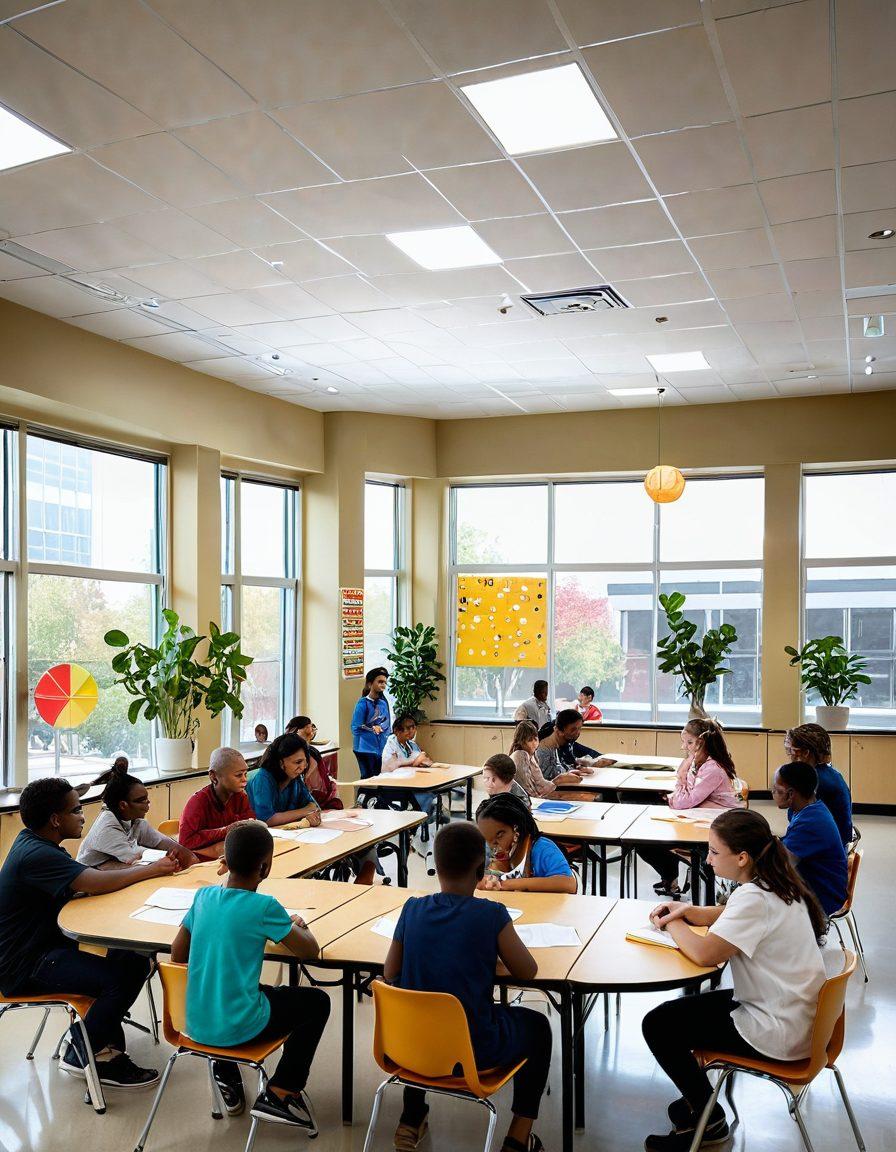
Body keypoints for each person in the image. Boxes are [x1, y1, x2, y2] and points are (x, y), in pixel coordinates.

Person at [640, 809, 828, 1152]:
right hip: (794, 1011)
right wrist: (692, 912)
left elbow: (705, 954)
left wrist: (673, 923)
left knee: (658, 1024)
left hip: (776, 1027)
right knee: (674, 1013)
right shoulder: (779, 882)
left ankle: (709, 1120)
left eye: (714, 852)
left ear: (742, 858)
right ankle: (700, 1101)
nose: (708, 860)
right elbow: (732, 914)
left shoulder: (753, 897)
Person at [0, 778, 180, 1087]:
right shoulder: (38, 855)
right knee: (119, 980)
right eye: (77, 809)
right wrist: (154, 869)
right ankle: (83, 1050)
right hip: (25, 965)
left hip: (46, 948)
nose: (84, 815)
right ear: (56, 820)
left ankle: (102, 1042)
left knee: (133, 960)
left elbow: (83, 886)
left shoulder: (36, 843)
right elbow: (95, 881)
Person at [384, 821, 551, 1152]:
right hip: (473, 1053)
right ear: (480, 869)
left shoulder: (412, 908)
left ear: (438, 867)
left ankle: (410, 1118)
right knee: (539, 1027)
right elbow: (527, 971)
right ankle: (519, 1137)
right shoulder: (491, 914)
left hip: (409, 1048)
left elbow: (390, 971)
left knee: (423, 1009)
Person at [171, 820, 329, 1128]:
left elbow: (177, 954)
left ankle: (226, 1069)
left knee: (255, 990)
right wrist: (298, 925)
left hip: (193, 1022)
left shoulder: (202, 897)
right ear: (266, 867)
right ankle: (282, 1091)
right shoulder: (264, 906)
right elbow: (309, 951)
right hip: (239, 1025)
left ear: (225, 862)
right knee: (317, 1002)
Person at [639, 719, 743, 898]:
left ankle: (672, 875)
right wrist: (679, 790)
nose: (683, 747)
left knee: (645, 841)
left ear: (701, 743)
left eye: (689, 742)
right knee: (643, 831)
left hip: (713, 824)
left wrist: (679, 782)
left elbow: (684, 801)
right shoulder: (698, 761)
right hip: (698, 815)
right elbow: (686, 796)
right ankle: (670, 874)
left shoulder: (713, 768)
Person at [284, 719, 376, 884]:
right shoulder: (280, 776)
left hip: (317, 810)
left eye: (312, 729)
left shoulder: (307, 761)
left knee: (360, 838)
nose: (311, 734)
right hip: (301, 820)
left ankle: (363, 872)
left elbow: (313, 798)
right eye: (306, 730)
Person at [77, 757, 199, 869]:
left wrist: (189, 857)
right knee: (146, 868)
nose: (147, 802)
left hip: (115, 869)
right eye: (141, 800)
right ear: (123, 805)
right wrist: (169, 858)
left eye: (146, 798)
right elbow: (135, 856)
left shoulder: (134, 820)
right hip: (92, 880)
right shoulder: (106, 828)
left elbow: (163, 843)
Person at [772, 761, 848, 916]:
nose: (772, 793)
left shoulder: (810, 822)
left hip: (821, 897)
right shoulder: (811, 809)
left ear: (791, 794)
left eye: (777, 790)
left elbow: (780, 864)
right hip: (818, 886)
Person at [476, 794, 576, 894]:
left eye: (499, 836)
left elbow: (569, 884)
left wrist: (506, 884)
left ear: (516, 828)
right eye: (488, 840)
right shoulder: (495, 853)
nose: (493, 847)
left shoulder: (542, 848)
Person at [179, 747, 256, 859]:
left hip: (230, 855)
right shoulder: (197, 802)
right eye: (239, 775)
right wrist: (225, 831)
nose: (245, 780)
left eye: (245, 774)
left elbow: (250, 827)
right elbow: (185, 842)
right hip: (203, 861)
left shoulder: (241, 797)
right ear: (213, 776)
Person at [784, 724, 853, 846]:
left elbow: (795, 818)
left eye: (792, 750)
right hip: (835, 843)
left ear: (805, 753)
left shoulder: (814, 781)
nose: (790, 755)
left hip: (823, 849)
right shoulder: (830, 773)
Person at [381, 714, 438, 858]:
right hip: (394, 785)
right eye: (407, 728)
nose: (411, 731)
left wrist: (417, 761)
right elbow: (390, 766)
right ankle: (413, 831)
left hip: (412, 782)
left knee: (432, 796)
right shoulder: (391, 744)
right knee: (425, 798)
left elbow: (425, 759)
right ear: (397, 731)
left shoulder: (411, 744)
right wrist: (413, 762)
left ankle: (418, 832)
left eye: (413, 728)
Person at [247, 733, 321, 828]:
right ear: (281, 763)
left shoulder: (295, 778)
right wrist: (304, 812)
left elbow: (314, 806)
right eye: (298, 762)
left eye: (305, 762)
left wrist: (311, 815)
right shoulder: (263, 778)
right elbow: (267, 819)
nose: (303, 767)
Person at [536, 710, 615, 783]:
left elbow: (562, 765)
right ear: (558, 730)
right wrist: (572, 771)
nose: (577, 733)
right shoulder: (543, 750)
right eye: (573, 729)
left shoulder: (565, 742)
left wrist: (578, 767)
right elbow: (546, 779)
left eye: (579, 729)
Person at [508, 721, 578, 798]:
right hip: (525, 803)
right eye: (530, 740)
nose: (534, 743)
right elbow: (528, 791)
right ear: (521, 742)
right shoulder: (520, 755)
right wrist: (558, 780)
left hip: (536, 799)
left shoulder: (533, 755)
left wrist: (562, 777)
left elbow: (541, 783)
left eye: (535, 739)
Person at [287, 716, 342, 810]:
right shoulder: (294, 751)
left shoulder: (311, 751)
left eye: (312, 727)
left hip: (314, 793)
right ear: (297, 730)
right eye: (308, 727)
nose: (312, 730)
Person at [351, 667, 391, 778]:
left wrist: (381, 727)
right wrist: (372, 729)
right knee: (367, 778)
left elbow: (387, 722)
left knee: (378, 777)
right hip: (363, 748)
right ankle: (363, 795)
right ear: (369, 684)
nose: (383, 685)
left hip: (380, 748)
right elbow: (355, 726)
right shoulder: (362, 703)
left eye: (384, 682)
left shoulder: (383, 703)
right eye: (380, 682)